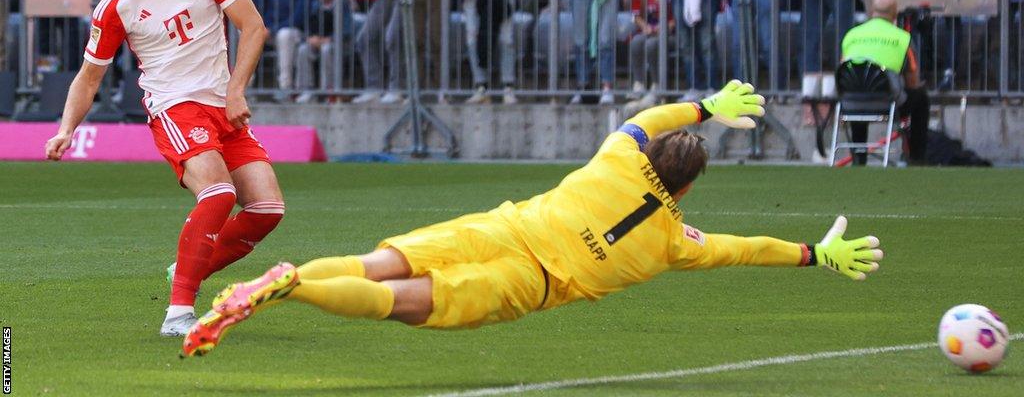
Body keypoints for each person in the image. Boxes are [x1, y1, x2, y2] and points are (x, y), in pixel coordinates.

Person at [181, 81, 885, 358]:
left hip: (504, 226)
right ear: (690, 186)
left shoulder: (616, 156)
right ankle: (294, 287)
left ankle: (289, 275)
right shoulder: (676, 242)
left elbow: (646, 119)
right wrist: (812, 254)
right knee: (396, 304)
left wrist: (706, 107)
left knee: (380, 264)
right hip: (531, 279)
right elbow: (743, 249)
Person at [44, 0, 285, 337]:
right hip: (175, 107)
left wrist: (235, 91)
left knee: (267, 209)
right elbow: (88, 77)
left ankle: (187, 267)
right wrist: (65, 129)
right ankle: (178, 312)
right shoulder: (117, 4)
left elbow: (253, 27)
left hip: (223, 105)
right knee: (217, 192)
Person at [840, 0, 929, 165]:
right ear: (895, 13)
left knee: (858, 89)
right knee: (921, 97)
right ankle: (917, 159)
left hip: (850, 104)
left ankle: (859, 158)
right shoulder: (903, 38)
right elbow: (912, 82)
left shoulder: (851, 35)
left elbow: (845, 70)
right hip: (887, 103)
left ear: (872, 11)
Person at [627, 0, 673, 101]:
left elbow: (676, 17)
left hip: (669, 31)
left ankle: (657, 84)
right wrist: (644, 26)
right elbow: (636, 14)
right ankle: (638, 83)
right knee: (636, 42)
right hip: (648, 29)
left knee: (652, 45)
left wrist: (664, 28)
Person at [295, 0, 342, 103]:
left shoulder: (341, 3)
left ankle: (328, 91)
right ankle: (306, 90)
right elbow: (309, 25)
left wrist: (330, 38)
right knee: (304, 49)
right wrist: (310, 38)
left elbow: (347, 29)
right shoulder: (314, 4)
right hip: (319, 41)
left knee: (327, 49)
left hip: (338, 42)